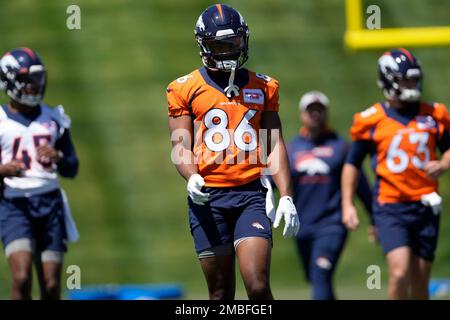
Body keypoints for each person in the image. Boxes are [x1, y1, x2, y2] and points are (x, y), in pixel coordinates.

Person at [166, 4, 299, 300]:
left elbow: (273, 143)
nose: (227, 51)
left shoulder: (263, 86)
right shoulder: (184, 88)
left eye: (233, 43)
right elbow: (180, 145)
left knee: (258, 286)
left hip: (251, 194)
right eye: (219, 45)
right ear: (204, 46)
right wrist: (191, 177)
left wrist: (287, 194)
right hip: (208, 198)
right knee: (220, 293)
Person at [341, 48, 450, 299]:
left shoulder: (434, 114)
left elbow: (448, 149)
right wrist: (348, 204)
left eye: (413, 78)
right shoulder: (373, 119)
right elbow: (352, 163)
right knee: (400, 273)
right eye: (405, 79)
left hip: (425, 205)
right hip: (391, 206)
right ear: (388, 80)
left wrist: (444, 164)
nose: (411, 84)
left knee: (420, 281)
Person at [0, 47, 79, 299]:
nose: (34, 86)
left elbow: (72, 167)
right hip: (14, 204)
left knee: (52, 285)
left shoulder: (54, 117)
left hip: (50, 203)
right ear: (9, 81)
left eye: (37, 80)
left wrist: (57, 156)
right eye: (27, 81)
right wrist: (3, 169)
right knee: (21, 278)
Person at [287, 91, 373, 300]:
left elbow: (361, 186)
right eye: (311, 110)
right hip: (301, 226)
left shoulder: (341, 147)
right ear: (302, 115)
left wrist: (375, 218)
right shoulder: (291, 149)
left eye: (320, 109)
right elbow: (273, 182)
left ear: (326, 113)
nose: (315, 114)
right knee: (315, 277)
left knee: (321, 272)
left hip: (332, 224)